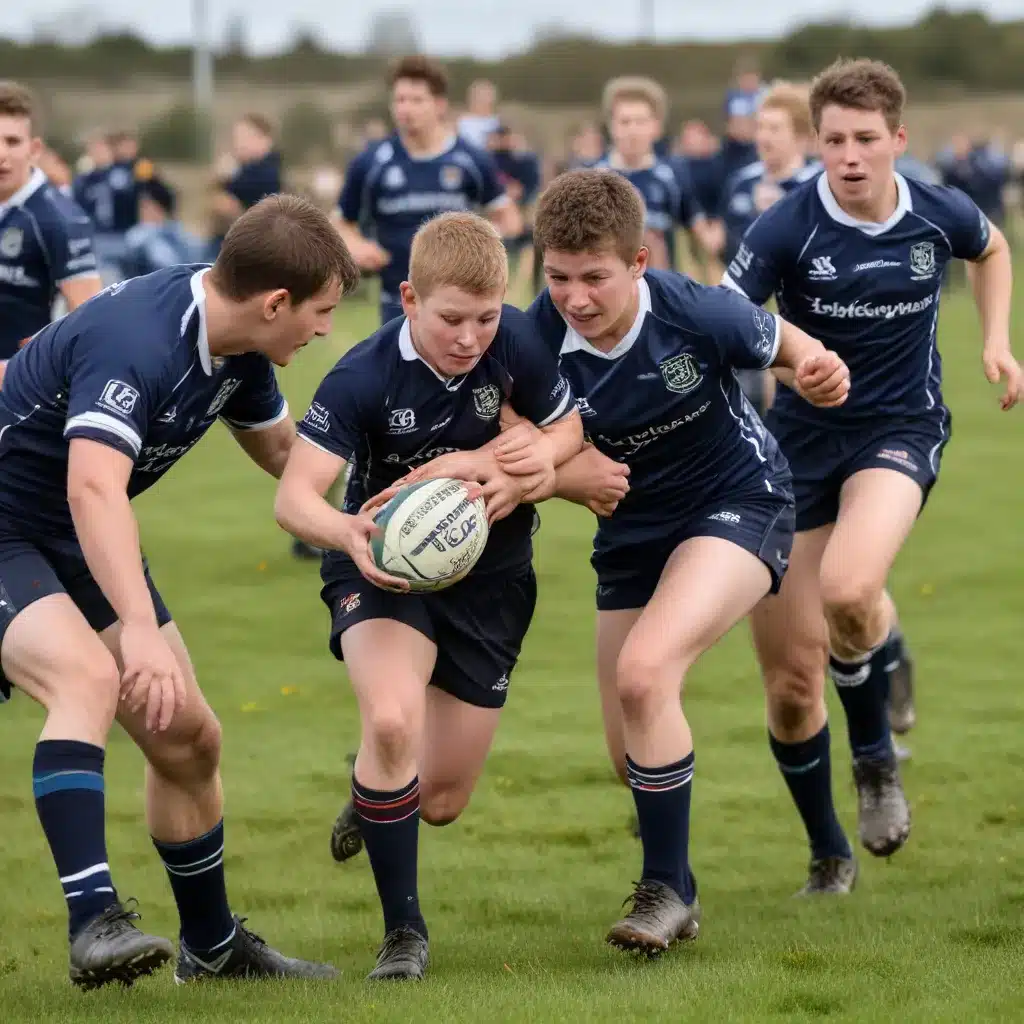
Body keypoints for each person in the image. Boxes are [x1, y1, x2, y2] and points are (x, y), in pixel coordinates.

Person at [0, 194, 359, 988]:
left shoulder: (241, 350)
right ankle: (94, 922)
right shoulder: (141, 342)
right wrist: (138, 626)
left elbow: (281, 452)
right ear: (275, 303)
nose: (326, 328)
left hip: (63, 535)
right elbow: (94, 488)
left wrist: (370, 517)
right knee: (89, 679)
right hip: (11, 526)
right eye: (322, 311)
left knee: (189, 740)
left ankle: (213, 949)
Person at [525, 168, 850, 953]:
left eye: (595, 277)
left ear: (639, 262)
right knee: (626, 752)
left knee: (646, 673)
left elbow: (798, 349)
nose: (575, 297)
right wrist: (570, 476)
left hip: (740, 501)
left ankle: (666, 891)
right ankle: (682, 883)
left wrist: (820, 370)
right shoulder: (531, 340)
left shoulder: (696, 311)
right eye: (558, 277)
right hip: (633, 535)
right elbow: (522, 458)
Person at [722, 59, 1019, 884]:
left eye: (864, 139)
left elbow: (991, 250)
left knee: (848, 590)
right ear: (816, 144)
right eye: (832, 141)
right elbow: (727, 322)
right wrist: (790, 366)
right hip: (800, 450)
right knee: (789, 682)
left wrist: (996, 340)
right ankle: (827, 850)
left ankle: (876, 763)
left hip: (900, 429)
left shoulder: (935, 211)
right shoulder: (785, 228)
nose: (848, 156)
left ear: (897, 139)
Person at [275, 211, 582, 980]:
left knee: (438, 799)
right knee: (389, 720)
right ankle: (403, 933)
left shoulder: (516, 343)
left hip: (494, 580)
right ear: (409, 298)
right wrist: (347, 533)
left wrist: (535, 454)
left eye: (486, 317)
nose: (471, 337)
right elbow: (294, 498)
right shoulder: (363, 373)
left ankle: (371, 789)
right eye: (452, 319)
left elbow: (569, 427)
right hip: (385, 569)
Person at [333, 55, 521, 327]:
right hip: (397, 304)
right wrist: (357, 246)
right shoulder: (371, 162)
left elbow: (510, 220)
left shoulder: (471, 159)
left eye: (417, 100)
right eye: (399, 100)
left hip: (459, 306)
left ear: (440, 105)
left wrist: (481, 246)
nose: (406, 109)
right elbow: (339, 223)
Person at [716, 82, 820, 419]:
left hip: (806, 313)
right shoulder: (742, 183)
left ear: (801, 136)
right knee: (747, 405)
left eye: (775, 128)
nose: (764, 136)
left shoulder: (819, 186)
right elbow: (730, 249)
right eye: (760, 126)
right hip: (749, 310)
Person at [0, 81, 101, 389]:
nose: (1, 154)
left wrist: (24, 369)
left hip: (18, 391)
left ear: (34, 150)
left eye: (12, 141)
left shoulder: (58, 219)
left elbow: (91, 320)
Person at [595, 77, 718, 271]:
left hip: (657, 292)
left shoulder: (671, 176)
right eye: (625, 122)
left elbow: (704, 237)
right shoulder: (592, 179)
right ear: (611, 126)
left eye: (641, 122)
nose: (632, 130)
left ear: (656, 127)